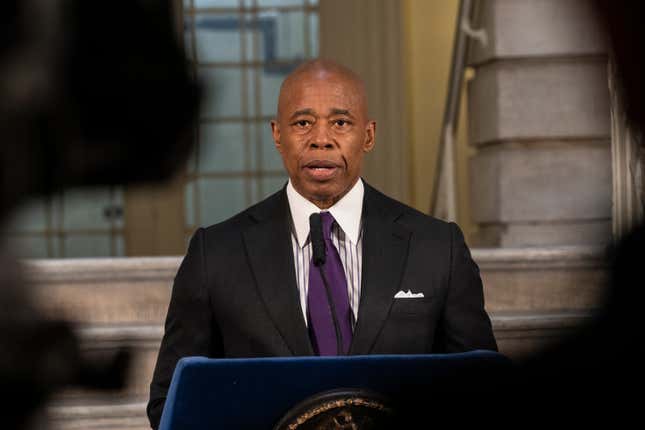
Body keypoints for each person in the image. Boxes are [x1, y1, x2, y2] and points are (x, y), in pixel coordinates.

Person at [147, 59, 497, 429]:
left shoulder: (438, 247)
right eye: (302, 123)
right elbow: (170, 403)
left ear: (369, 135)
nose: (321, 138)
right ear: (277, 134)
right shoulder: (214, 253)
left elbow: (483, 392)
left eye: (341, 122)